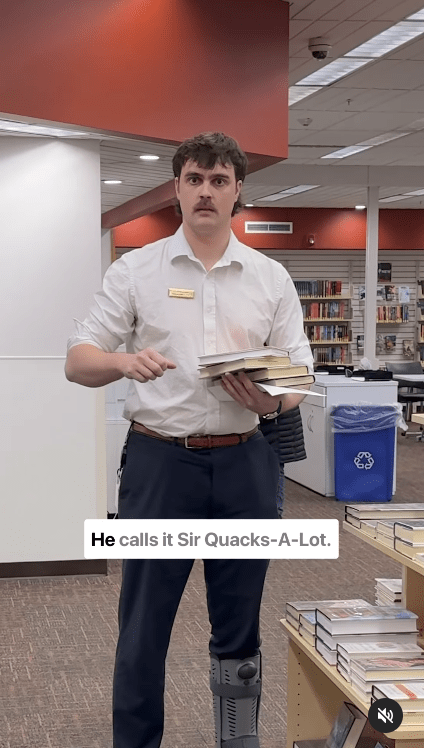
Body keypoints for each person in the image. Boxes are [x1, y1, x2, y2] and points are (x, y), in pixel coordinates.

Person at [65, 132, 313, 748]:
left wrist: (272, 400)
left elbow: (300, 372)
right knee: (144, 625)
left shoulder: (270, 277)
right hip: (160, 465)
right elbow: (78, 360)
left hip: (245, 465)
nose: (206, 191)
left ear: (237, 191)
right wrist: (122, 363)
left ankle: (238, 739)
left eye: (219, 180)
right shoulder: (135, 269)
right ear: (176, 188)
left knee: (240, 621)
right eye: (195, 179)